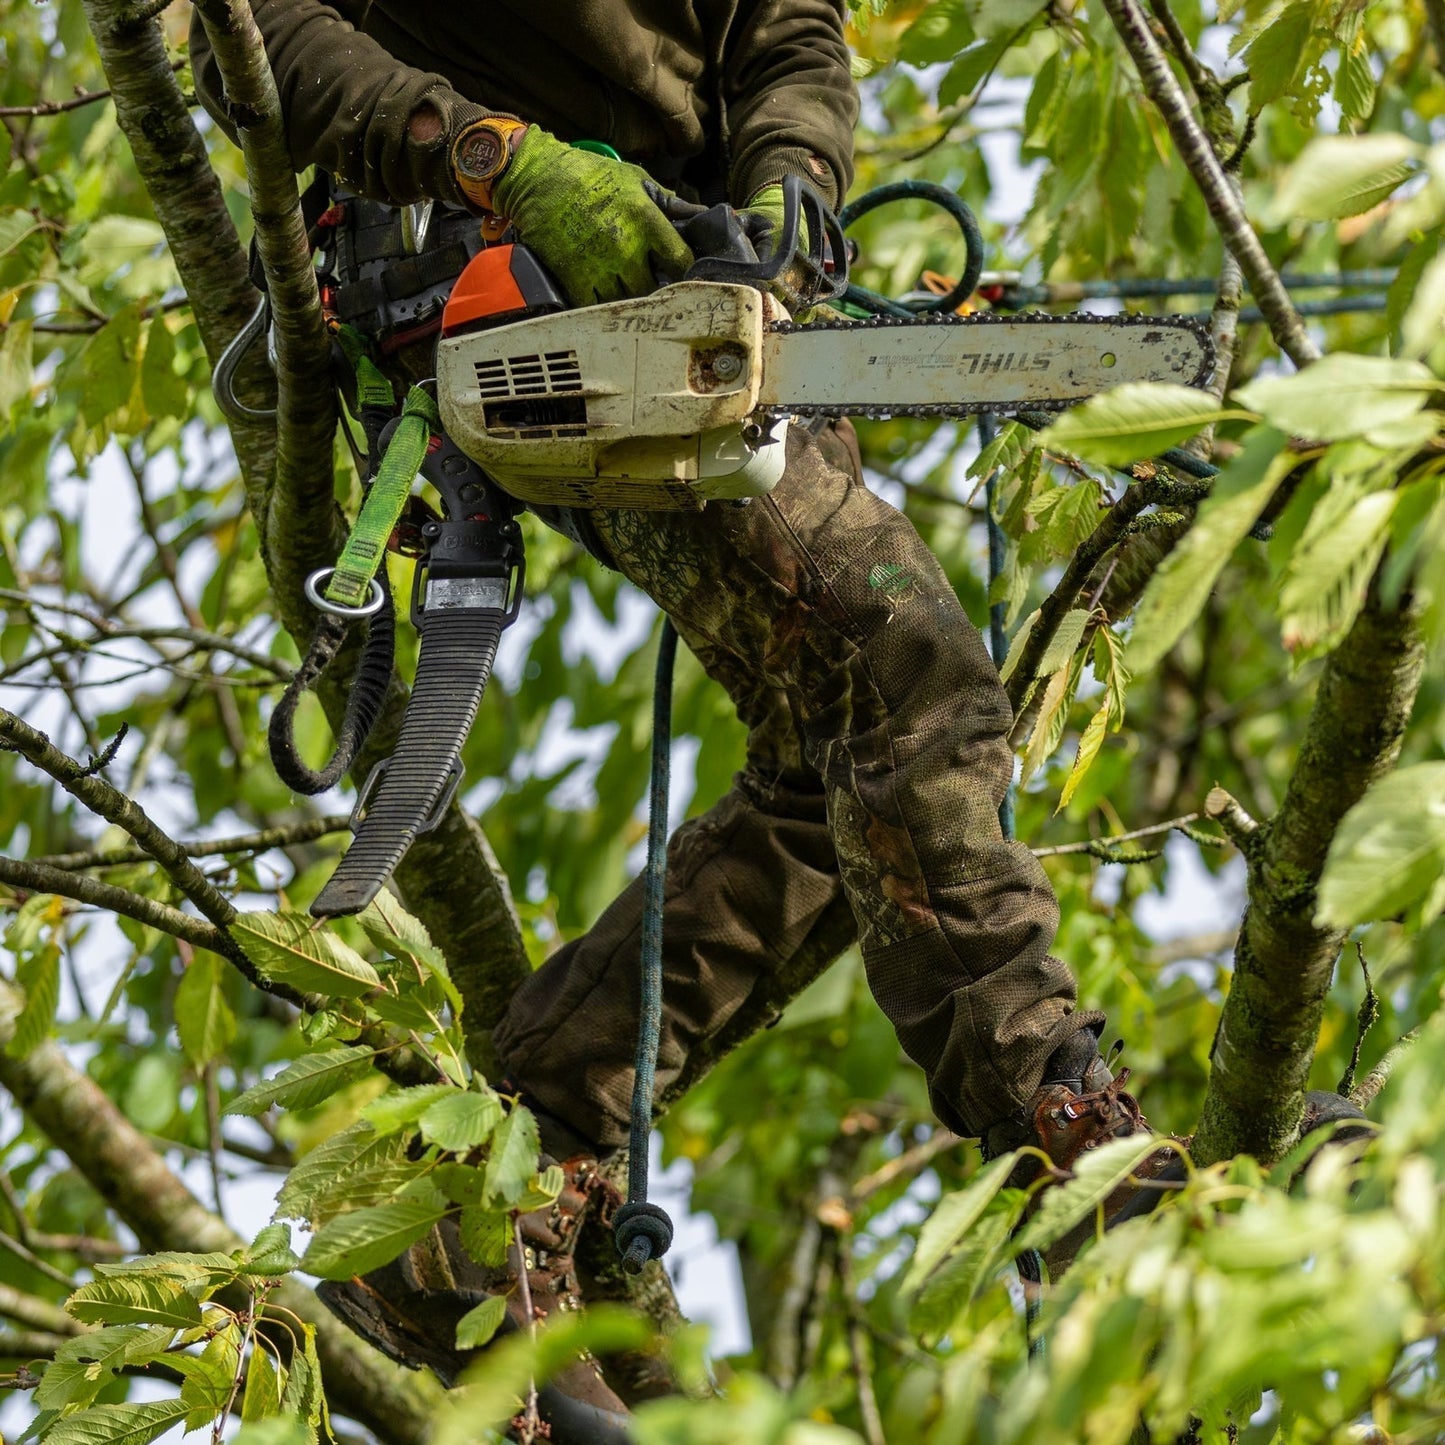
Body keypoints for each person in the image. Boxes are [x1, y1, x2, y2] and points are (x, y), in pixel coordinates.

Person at [190, 2, 1149, 1435]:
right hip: (479, 258)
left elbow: (789, 38)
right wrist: (491, 156)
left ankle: (500, 1179)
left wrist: (790, 186)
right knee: (908, 673)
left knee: (857, 779)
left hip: (684, 279)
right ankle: (1062, 1127)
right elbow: (246, 36)